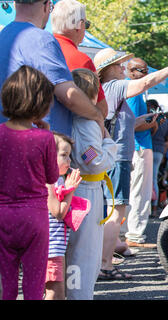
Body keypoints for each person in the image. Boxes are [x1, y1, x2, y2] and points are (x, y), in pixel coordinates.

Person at [94, 48, 168, 280]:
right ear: (108, 69)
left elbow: (119, 123)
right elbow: (147, 81)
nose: (122, 68)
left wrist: (140, 120)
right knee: (117, 211)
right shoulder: (116, 86)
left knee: (114, 210)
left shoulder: (107, 89)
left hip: (115, 156)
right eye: (118, 65)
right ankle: (105, 264)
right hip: (119, 158)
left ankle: (104, 259)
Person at [0, 0, 103, 136]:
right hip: (42, 142)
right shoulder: (40, 38)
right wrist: (97, 116)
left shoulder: (4, 35)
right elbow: (68, 95)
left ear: (14, 4)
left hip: (11, 139)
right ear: (47, 6)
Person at [0, 66, 59, 300]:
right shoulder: (44, 138)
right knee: (35, 283)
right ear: (42, 103)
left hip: (3, 214)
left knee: (7, 281)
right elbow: (51, 177)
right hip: (35, 217)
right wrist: (46, 132)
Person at [65, 68, 117, 298]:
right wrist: (109, 145)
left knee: (79, 253)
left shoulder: (75, 120)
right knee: (84, 255)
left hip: (85, 189)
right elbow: (94, 162)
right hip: (86, 191)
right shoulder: (85, 125)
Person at [51, 0, 108, 118]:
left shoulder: (41, 50)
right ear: (79, 25)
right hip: (69, 130)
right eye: (86, 24)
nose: (85, 29)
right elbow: (102, 109)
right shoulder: (81, 59)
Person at [124, 58, 159, 248]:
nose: (146, 75)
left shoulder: (130, 91)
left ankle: (129, 233)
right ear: (132, 72)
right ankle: (135, 234)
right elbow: (134, 124)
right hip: (139, 147)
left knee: (134, 192)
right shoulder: (135, 93)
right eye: (143, 71)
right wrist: (153, 122)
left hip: (136, 147)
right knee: (140, 193)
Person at [45, 133, 82, 300]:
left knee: (59, 292)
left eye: (69, 156)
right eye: (64, 155)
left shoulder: (57, 180)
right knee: (55, 293)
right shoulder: (48, 181)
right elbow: (58, 212)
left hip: (56, 248)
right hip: (50, 250)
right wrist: (71, 190)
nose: (69, 161)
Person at [151, 103, 168, 216]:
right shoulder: (165, 123)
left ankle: (152, 208)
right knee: (156, 179)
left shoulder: (151, 119)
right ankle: (155, 207)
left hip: (149, 150)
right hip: (160, 152)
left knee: (150, 180)